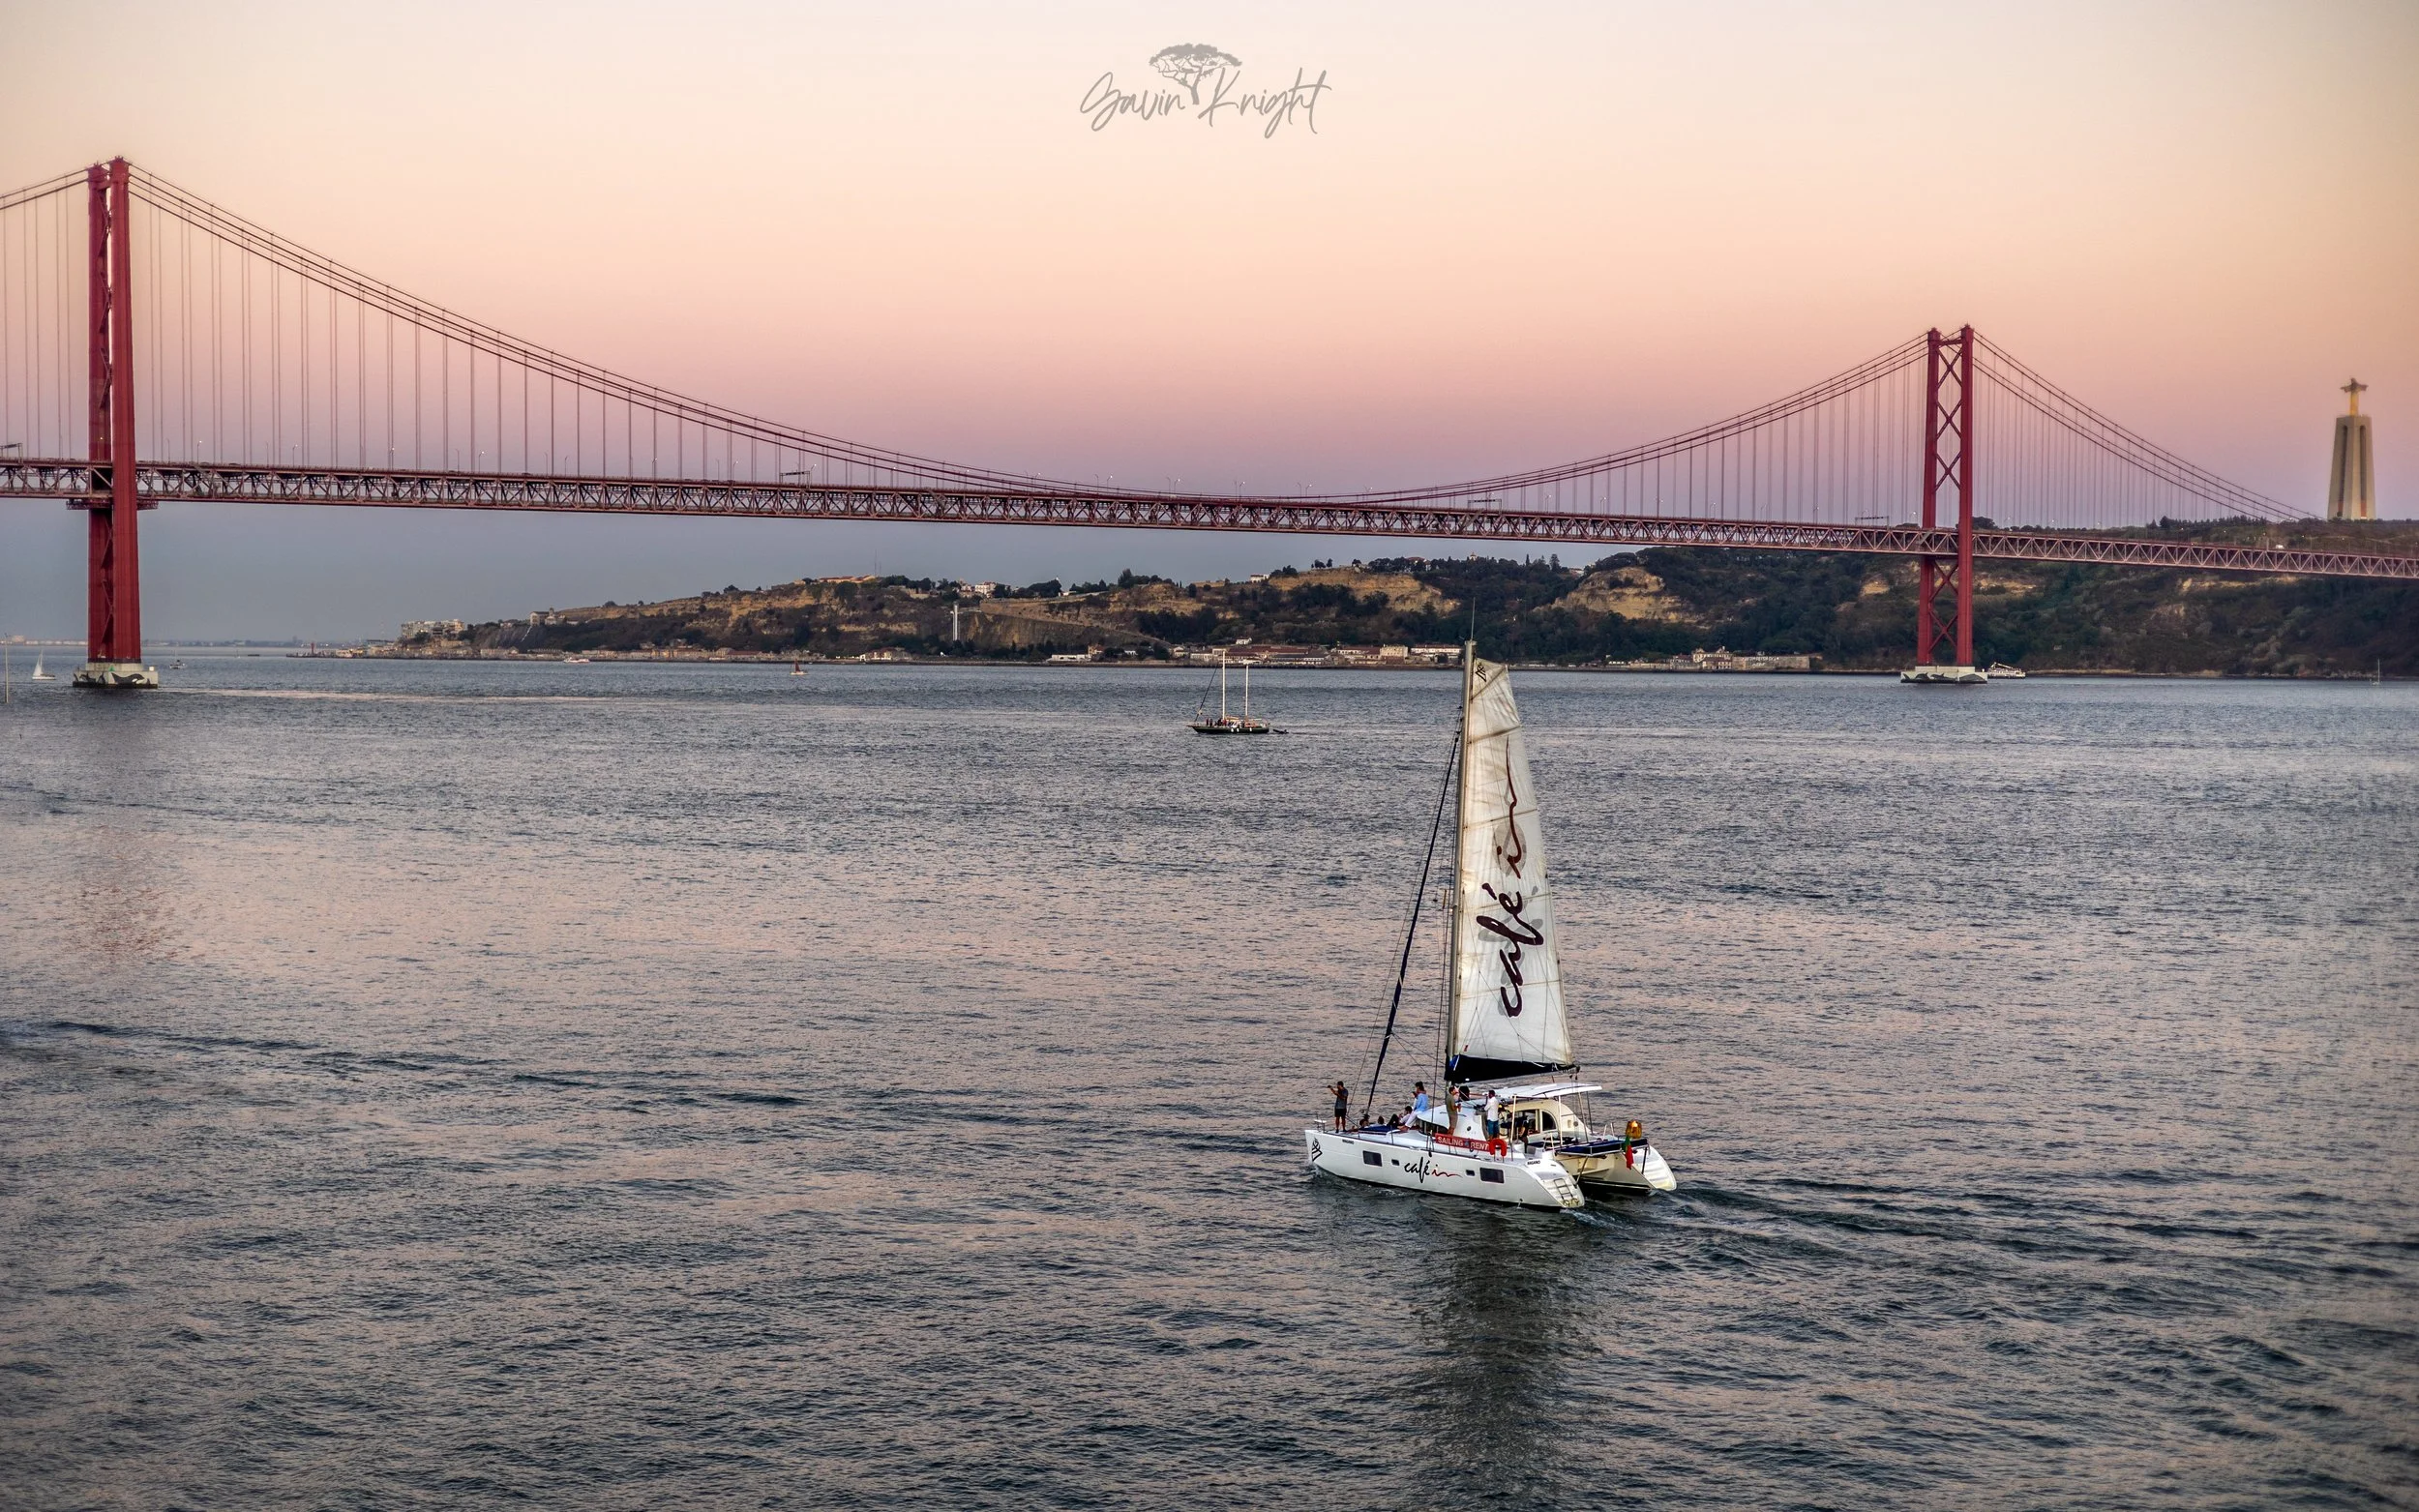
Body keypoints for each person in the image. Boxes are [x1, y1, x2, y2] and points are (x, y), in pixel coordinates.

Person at [1483, 1089, 1504, 1154]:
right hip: (1496, 1118)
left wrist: (1484, 1107)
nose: (1488, 1095)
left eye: (1489, 1094)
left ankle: (1491, 1143)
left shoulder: (1490, 1101)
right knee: (1496, 1131)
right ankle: (1498, 1142)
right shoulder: (1496, 1100)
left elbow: (1485, 1108)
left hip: (1491, 1118)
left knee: (1491, 1131)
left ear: (1491, 1094)